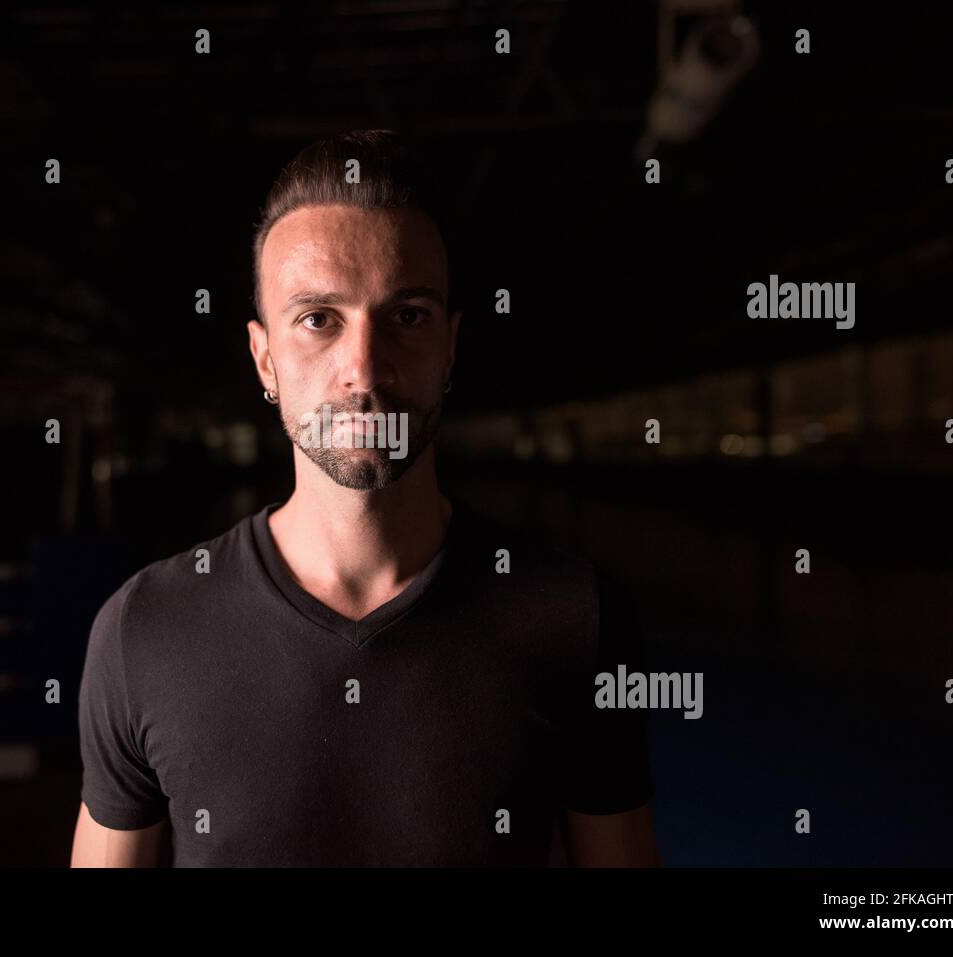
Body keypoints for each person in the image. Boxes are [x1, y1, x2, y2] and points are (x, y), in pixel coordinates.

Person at [71, 130, 660, 867]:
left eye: (407, 315)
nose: (363, 368)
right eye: (319, 319)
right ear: (265, 359)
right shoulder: (144, 630)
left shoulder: (574, 616)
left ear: (450, 347)